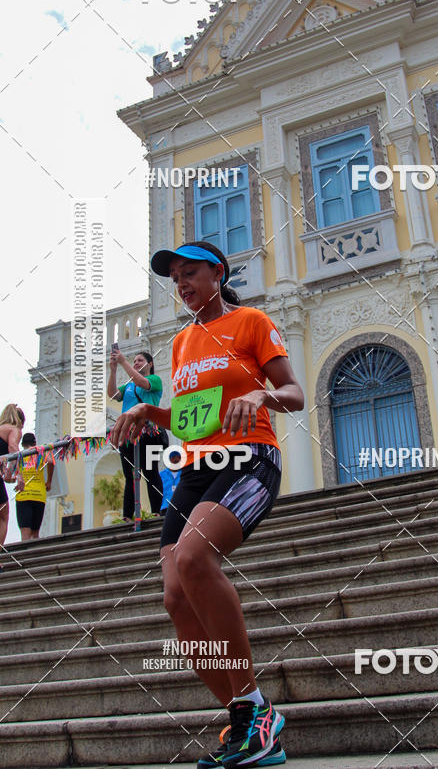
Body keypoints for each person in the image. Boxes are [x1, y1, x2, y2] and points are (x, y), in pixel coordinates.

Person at [111, 240, 304, 768]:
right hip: (197, 468)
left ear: (218, 273)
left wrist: (260, 394)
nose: (181, 284)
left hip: (250, 458)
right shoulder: (182, 343)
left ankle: (253, 715)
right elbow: (192, 419)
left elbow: (293, 392)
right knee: (176, 596)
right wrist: (148, 412)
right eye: (174, 277)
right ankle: (249, 717)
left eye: (189, 273)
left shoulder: (251, 322)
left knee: (195, 557)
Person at [107, 349, 164, 520]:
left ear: (150, 364)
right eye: (134, 361)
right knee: (129, 475)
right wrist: (113, 370)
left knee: (151, 471)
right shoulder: (129, 386)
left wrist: (123, 362)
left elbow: (142, 382)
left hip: (148, 431)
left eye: (140, 360)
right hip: (128, 432)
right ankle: (127, 514)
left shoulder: (155, 380)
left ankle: (156, 511)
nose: (136, 363)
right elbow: (113, 394)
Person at [15, 432, 55, 541]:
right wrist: (49, 481)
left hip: (24, 495)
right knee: (35, 533)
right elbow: (50, 461)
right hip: (39, 496)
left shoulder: (19, 456)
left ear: (22, 444)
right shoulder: (39, 453)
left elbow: (11, 475)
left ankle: (25, 552)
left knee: (25, 533)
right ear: (35, 443)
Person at [0, 404, 25, 552]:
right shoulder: (14, 429)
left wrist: (9, 474)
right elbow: (13, 448)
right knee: (3, 516)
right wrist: (20, 475)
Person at [160, 450, 181, 517]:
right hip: (165, 507)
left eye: (178, 457)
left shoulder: (184, 474)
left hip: (180, 507)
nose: (176, 459)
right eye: (173, 457)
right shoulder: (161, 475)